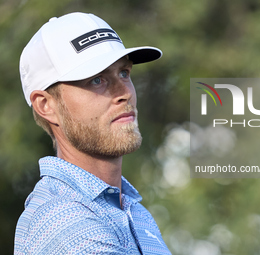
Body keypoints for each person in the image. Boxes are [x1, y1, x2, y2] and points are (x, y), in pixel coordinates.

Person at [14, 12, 171, 255]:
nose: (125, 93)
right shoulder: (62, 220)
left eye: (124, 73)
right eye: (97, 80)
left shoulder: (132, 210)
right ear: (46, 105)